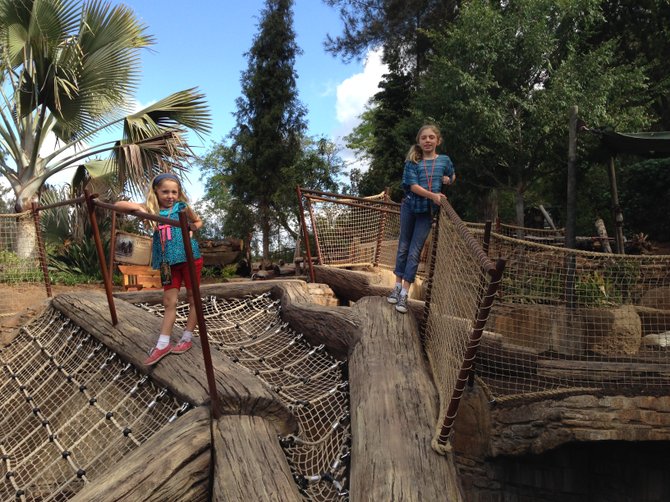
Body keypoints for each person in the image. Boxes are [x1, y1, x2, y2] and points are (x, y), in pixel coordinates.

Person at [116, 173, 203, 365]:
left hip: (189, 259)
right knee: (168, 301)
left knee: (192, 297)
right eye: (165, 191)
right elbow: (118, 206)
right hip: (167, 263)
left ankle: (187, 338)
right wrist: (140, 207)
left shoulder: (182, 207)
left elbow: (198, 221)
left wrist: (191, 229)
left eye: (174, 191)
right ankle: (163, 343)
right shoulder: (151, 210)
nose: (170, 195)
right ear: (156, 191)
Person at [387, 124, 455, 314]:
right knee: (403, 246)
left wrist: (449, 180)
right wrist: (434, 195)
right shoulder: (412, 161)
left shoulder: (444, 160)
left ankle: (404, 294)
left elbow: (452, 174)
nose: (427, 140)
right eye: (424, 137)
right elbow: (413, 186)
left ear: (438, 140)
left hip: (426, 212)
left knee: (415, 251)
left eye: (431, 137)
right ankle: (397, 286)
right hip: (410, 207)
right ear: (419, 141)